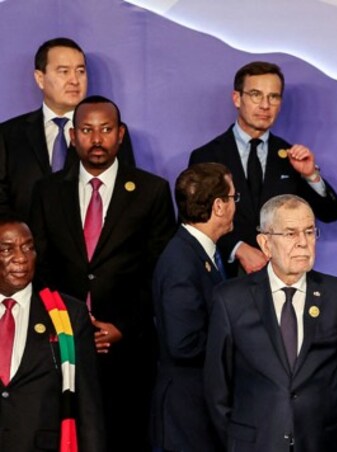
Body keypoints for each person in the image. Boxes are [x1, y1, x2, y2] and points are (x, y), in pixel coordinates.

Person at [28, 95, 175, 451]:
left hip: (129, 347)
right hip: (63, 345)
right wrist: (67, 326)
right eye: (87, 130)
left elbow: (160, 273)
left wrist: (123, 326)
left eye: (106, 130)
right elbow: (40, 268)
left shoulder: (151, 191)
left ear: (120, 134)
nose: (97, 139)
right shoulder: (47, 192)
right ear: (73, 136)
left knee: (127, 438)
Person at [204, 194, 337, 451]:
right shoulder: (230, 299)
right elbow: (217, 388)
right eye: (290, 234)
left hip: (320, 443)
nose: (303, 243)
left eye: (309, 232)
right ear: (265, 243)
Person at [189, 61, 337, 276]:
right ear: (237, 98)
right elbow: (194, 221)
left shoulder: (291, 157)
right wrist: (238, 248)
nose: (265, 105)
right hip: (226, 278)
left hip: (281, 279)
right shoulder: (207, 157)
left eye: (273, 97)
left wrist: (310, 175)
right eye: (255, 94)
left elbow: (330, 212)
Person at [0, 37, 136, 221]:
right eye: (63, 71)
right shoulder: (8, 134)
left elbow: (126, 198)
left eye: (80, 71)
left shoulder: (110, 133)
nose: (74, 80)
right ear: (40, 78)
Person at [0, 217, 104, 452]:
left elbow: (89, 408)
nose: (21, 258)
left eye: (28, 247)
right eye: (7, 249)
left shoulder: (69, 315)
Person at [151, 163, 235, 451]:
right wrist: (238, 344)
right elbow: (183, 343)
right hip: (185, 416)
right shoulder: (181, 261)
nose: (236, 205)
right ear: (219, 206)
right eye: (234, 198)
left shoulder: (200, 252)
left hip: (197, 410)